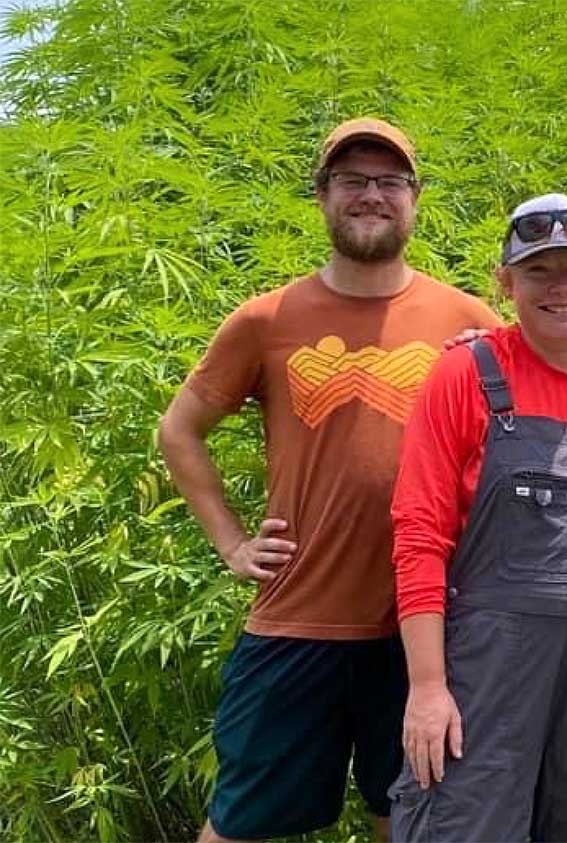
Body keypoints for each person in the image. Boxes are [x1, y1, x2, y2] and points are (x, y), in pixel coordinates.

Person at [157, 118, 501, 842]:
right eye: (352, 180)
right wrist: (232, 543)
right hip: (297, 616)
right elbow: (178, 431)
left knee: (409, 813)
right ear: (322, 196)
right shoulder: (265, 319)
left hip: (427, 628)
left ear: (415, 197)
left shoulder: (468, 319)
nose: (371, 195)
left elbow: (523, 441)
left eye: (389, 182)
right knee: (239, 819)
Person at [384, 194, 567, 841]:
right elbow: (419, 535)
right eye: (539, 271)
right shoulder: (465, 373)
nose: (561, 288)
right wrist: (427, 687)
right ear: (506, 283)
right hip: (488, 673)